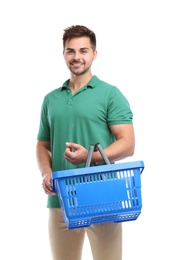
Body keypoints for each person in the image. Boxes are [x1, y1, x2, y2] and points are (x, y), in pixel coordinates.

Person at [36, 25, 135, 260]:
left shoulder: (110, 94)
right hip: (60, 196)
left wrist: (90, 157)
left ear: (94, 54)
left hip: (102, 195)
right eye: (70, 51)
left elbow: (128, 144)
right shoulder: (51, 99)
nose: (77, 57)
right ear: (63, 55)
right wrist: (46, 172)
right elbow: (42, 144)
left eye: (83, 50)